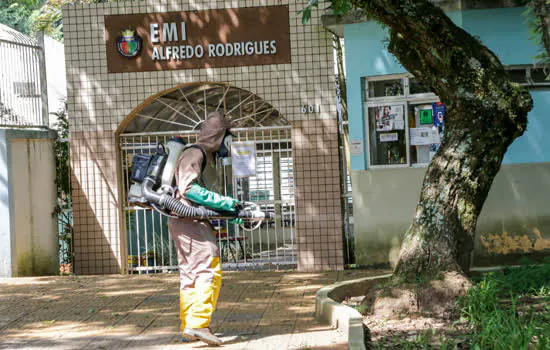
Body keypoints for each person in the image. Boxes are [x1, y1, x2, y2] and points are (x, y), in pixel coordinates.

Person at [168, 111, 241, 346]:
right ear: (219, 135)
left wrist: (230, 212)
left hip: (186, 221)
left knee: (190, 274)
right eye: (228, 136)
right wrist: (224, 203)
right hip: (190, 221)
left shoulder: (204, 155)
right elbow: (188, 189)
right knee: (208, 268)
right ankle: (199, 324)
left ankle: (190, 324)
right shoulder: (195, 153)